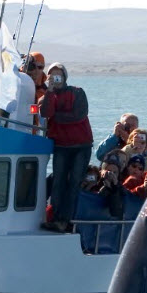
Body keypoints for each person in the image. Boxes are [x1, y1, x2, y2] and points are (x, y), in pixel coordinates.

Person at [37, 63, 93, 232]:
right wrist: (50, 92)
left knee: (74, 182)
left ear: (65, 77)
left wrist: (57, 118)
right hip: (61, 145)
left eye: (58, 76)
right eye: (52, 76)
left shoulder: (77, 92)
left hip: (81, 145)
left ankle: (66, 220)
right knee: (58, 182)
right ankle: (55, 217)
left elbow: (78, 115)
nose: (55, 79)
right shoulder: (47, 96)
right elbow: (46, 113)